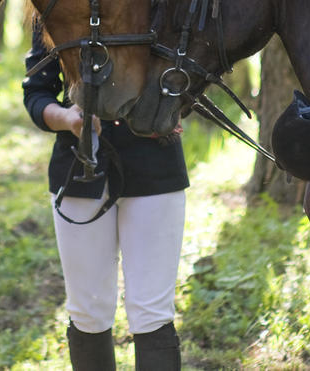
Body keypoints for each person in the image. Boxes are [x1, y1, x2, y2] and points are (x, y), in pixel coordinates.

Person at [23, 23, 188, 370]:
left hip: (155, 163)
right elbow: (36, 93)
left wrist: (176, 105)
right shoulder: (56, 1)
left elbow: (188, 69)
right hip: (79, 168)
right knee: (87, 310)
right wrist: (68, 117)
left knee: (153, 312)